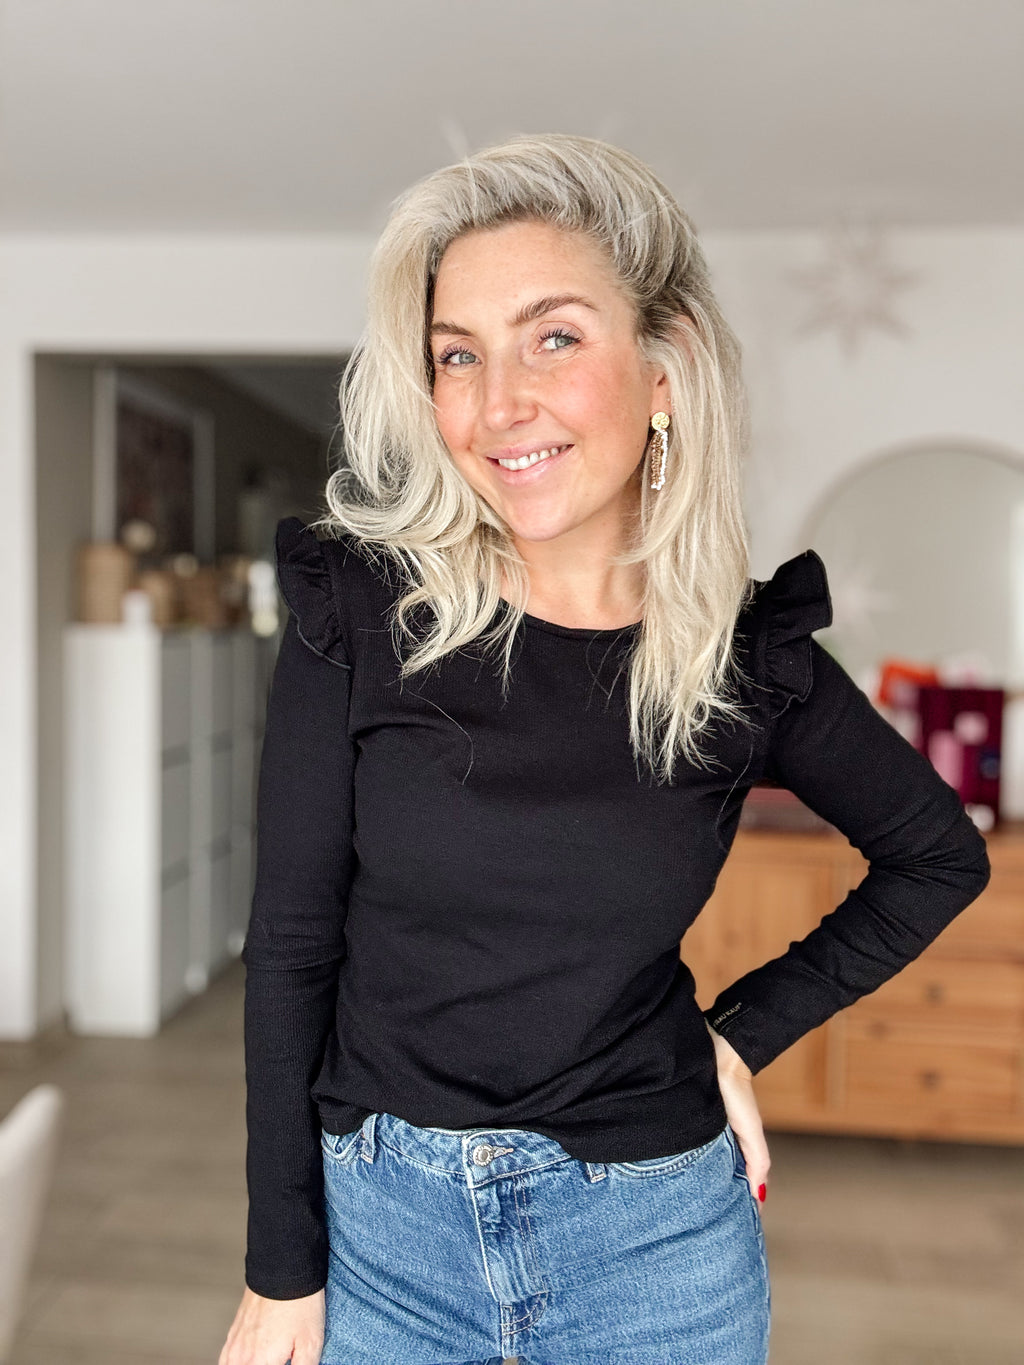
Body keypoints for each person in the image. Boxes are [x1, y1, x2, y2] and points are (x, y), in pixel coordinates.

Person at [218, 134, 991, 1365]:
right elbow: (293, 946)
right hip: (383, 1245)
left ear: (663, 370)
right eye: (457, 355)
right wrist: (280, 1268)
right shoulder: (358, 609)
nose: (498, 403)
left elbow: (937, 857)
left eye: (554, 338)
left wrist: (737, 1034)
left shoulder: (746, 661)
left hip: (654, 1252)